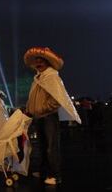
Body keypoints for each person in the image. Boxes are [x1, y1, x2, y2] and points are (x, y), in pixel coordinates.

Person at [24, 47, 81, 185]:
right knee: (42, 147)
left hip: (49, 116)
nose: (38, 63)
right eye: (36, 60)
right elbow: (32, 98)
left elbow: (56, 100)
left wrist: (43, 109)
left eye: (41, 60)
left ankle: (55, 175)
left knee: (51, 147)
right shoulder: (38, 79)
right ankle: (44, 171)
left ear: (47, 63)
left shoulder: (51, 77)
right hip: (39, 117)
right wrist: (29, 110)